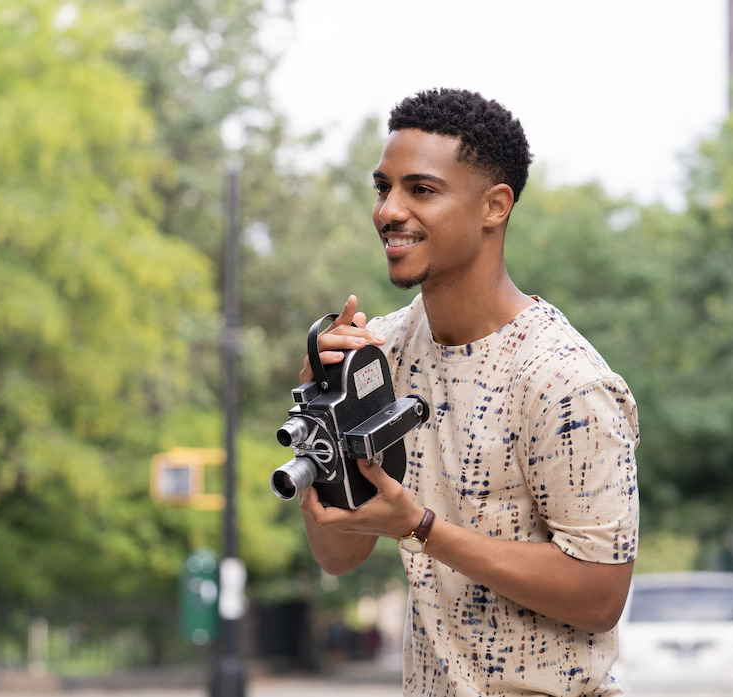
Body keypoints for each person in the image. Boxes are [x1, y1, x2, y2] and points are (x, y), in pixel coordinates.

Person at [296, 88, 639, 696]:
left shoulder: (564, 380)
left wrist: (421, 526)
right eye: (383, 188)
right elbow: (338, 555)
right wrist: (321, 424)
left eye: (420, 190)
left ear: (494, 206)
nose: (388, 211)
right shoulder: (381, 354)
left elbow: (600, 594)